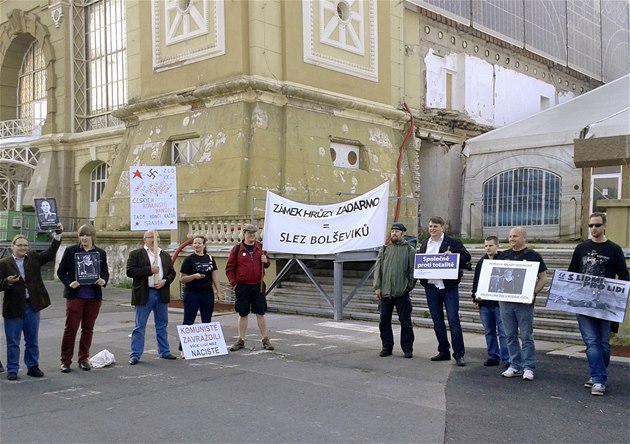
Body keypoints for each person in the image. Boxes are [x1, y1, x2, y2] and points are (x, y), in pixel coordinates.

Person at [568, 212, 629, 396]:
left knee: (603, 344)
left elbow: (624, 275)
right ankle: (598, 380)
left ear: (604, 226)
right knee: (592, 342)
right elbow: (572, 273)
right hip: (584, 303)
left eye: (597, 225)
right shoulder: (580, 249)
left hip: (606, 305)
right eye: (591, 226)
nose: (593, 229)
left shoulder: (614, 249)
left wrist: (625, 293)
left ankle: (597, 375)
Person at [0, 224, 63, 380]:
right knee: (13, 341)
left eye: (25, 245)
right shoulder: (4, 263)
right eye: (20, 245)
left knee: (32, 340)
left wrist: (58, 235)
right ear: (12, 246)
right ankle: (12, 369)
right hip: (13, 307)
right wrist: (7, 282)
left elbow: (50, 253)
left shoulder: (33, 257)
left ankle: (33, 366)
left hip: (32, 305)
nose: (23, 248)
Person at [418, 216, 471, 366]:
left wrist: (455, 257)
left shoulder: (452, 242)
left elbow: (467, 257)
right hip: (431, 287)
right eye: (430, 226)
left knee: (454, 321)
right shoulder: (424, 244)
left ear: (442, 227)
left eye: (435, 226)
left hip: (449, 288)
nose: (432, 229)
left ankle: (459, 354)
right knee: (437, 322)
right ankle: (443, 351)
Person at [57, 224, 109, 372]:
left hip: (93, 297)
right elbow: (61, 272)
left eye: (87, 235)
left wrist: (103, 280)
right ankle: (66, 360)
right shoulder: (71, 251)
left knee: (88, 329)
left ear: (93, 236)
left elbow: (105, 272)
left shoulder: (100, 253)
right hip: (76, 296)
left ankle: (83, 358)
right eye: (81, 235)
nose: (84, 238)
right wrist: (69, 283)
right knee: (71, 328)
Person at [498, 227, 547, 381]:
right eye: (510, 236)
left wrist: (533, 294)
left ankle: (529, 367)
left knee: (526, 336)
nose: (511, 239)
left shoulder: (533, 256)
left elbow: (543, 278)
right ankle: (514, 364)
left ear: (524, 238)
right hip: (505, 302)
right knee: (510, 335)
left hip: (524, 303)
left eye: (515, 236)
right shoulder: (503, 255)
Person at [126, 230, 177, 364]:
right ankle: (135, 354)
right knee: (140, 325)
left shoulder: (164, 255)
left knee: (162, 324)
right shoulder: (136, 254)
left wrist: (165, 281)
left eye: (157, 237)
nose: (155, 240)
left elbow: (172, 273)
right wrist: (149, 270)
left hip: (161, 293)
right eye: (151, 237)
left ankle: (164, 351)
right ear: (145, 239)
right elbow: (130, 271)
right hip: (144, 293)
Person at [225, 224, 273, 351]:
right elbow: (229, 268)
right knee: (243, 313)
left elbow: (267, 264)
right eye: (249, 233)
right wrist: (234, 284)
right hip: (242, 286)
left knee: (260, 312)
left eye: (254, 233)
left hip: (258, 285)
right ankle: (241, 339)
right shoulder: (237, 249)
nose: (252, 235)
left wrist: (266, 261)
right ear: (244, 234)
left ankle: (265, 339)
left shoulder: (261, 248)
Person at [373, 223, 416, 358]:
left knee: (405, 322)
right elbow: (377, 269)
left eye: (397, 232)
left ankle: (407, 348)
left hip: (401, 293)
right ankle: (387, 346)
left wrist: (407, 287)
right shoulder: (384, 250)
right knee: (384, 322)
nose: (394, 234)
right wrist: (377, 287)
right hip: (385, 293)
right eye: (392, 231)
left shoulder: (409, 250)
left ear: (403, 234)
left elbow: (413, 272)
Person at [178, 235, 223, 357]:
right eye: (194, 243)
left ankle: (206, 346)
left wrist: (219, 291)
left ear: (204, 245)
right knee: (188, 320)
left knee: (207, 320)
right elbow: (182, 278)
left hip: (207, 293)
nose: (196, 245)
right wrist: (193, 276)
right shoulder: (189, 260)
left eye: (199, 243)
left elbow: (215, 276)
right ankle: (183, 349)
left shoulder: (210, 258)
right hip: (192, 293)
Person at [471, 236, 509, 367]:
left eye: (491, 245)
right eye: (486, 246)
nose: (488, 248)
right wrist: (474, 297)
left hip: (500, 303)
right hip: (485, 303)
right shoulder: (482, 261)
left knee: (503, 332)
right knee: (489, 331)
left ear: (497, 246)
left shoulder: (504, 259)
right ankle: (493, 356)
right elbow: (477, 280)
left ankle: (507, 358)